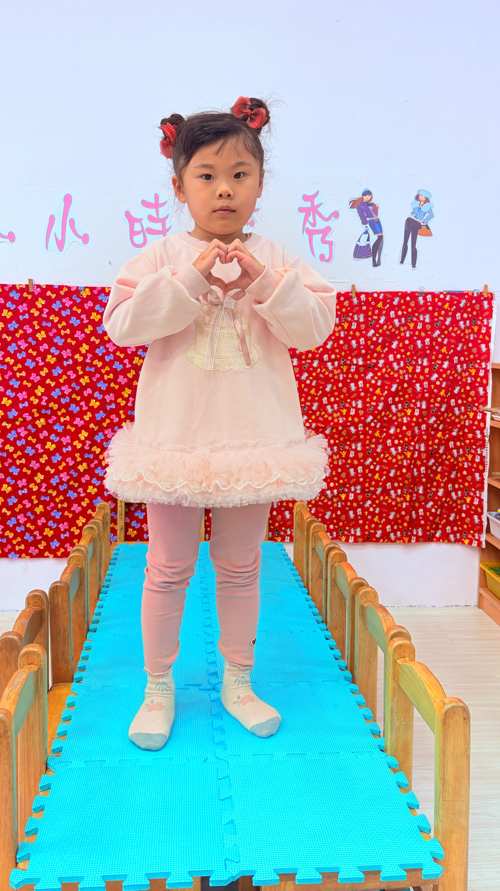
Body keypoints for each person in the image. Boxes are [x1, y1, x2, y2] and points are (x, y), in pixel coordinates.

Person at [103, 97, 337, 750]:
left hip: (253, 441)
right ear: (179, 187)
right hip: (175, 439)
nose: (224, 189)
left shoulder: (278, 257)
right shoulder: (158, 256)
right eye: (206, 176)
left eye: (239, 174)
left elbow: (314, 328)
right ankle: (157, 688)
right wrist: (189, 275)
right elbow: (123, 326)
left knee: (240, 567)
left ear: (260, 185)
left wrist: (265, 281)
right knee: (167, 567)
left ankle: (238, 683)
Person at [400, 189, 434, 269]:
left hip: (416, 224)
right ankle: (402, 260)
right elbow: (413, 212)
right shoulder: (415, 204)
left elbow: (431, 215)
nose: (421, 198)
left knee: (413, 244)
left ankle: (413, 264)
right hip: (409, 221)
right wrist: (412, 213)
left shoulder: (427, 206)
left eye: (424, 197)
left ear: (426, 199)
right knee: (405, 241)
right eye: (421, 195)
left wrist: (424, 221)